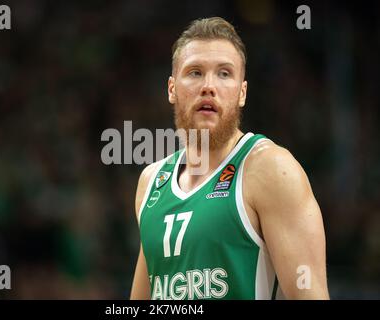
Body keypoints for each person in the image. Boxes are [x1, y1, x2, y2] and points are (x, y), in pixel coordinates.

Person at [130, 17, 329, 300]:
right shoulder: (151, 182)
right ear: (172, 89)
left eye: (224, 74)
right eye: (195, 72)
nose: (208, 86)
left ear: (242, 93)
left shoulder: (270, 169)